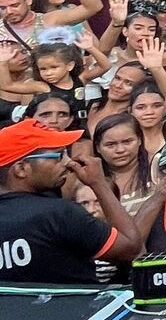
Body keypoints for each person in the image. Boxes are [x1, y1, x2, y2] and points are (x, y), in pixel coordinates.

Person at [0, 119, 141, 283]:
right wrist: (99, 183)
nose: (68, 162)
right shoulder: (58, 214)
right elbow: (130, 248)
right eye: (58, 156)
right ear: (21, 169)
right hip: (74, 309)